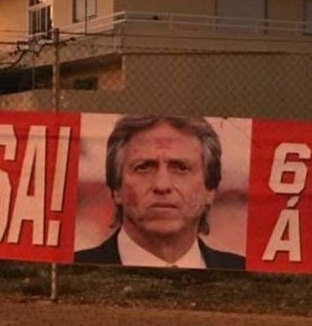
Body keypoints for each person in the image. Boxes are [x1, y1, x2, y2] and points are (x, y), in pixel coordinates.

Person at [75, 114, 245, 270]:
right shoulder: (69, 272)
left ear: (210, 189)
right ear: (116, 188)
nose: (162, 185)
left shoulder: (245, 274)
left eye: (181, 168)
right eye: (143, 167)